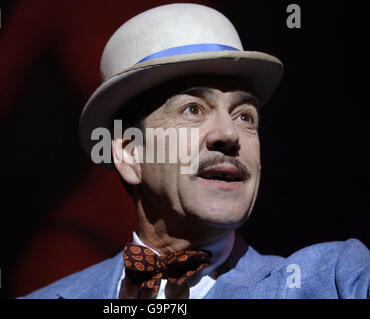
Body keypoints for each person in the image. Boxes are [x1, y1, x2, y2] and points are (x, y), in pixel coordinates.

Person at [23, 3, 369, 299]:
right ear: (130, 153)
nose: (229, 134)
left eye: (245, 116)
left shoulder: (334, 280)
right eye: (193, 109)